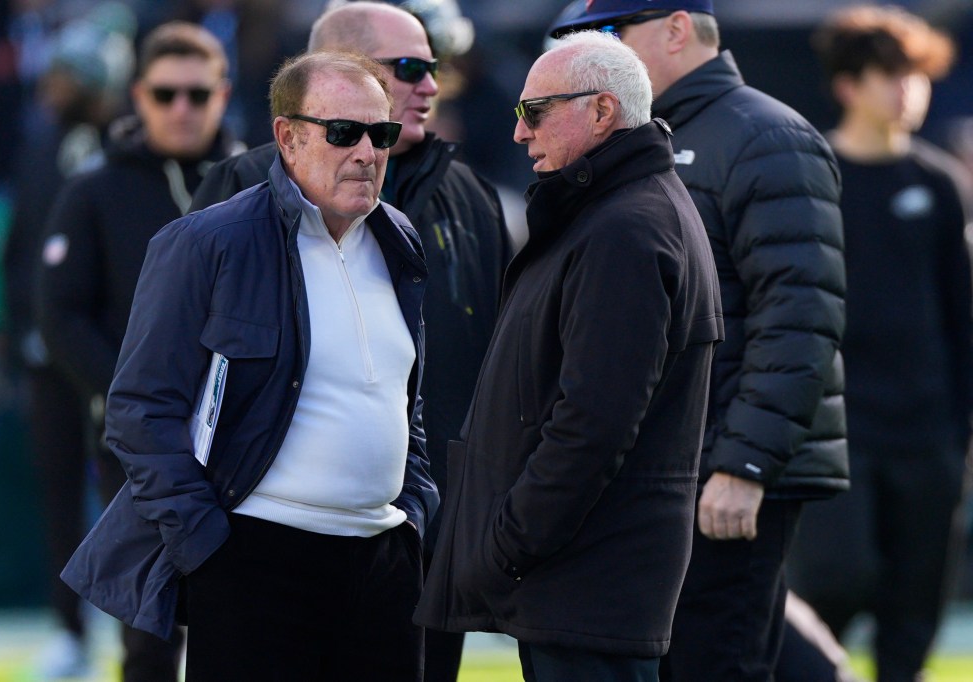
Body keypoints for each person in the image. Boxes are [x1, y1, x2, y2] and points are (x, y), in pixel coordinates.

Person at [61, 50, 437, 682]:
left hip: (384, 566)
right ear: (287, 137)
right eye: (344, 132)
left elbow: (406, 398)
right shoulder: (208, 241)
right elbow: (139, 410)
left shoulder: (398, 238)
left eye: (382, 133)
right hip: (254, 561)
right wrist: (206, 547)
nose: (367, 152)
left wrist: (417, 509)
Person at [189, 4, 510, 679]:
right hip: (264, 550)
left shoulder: (470, 194)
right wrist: (199, 533)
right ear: (342, 73)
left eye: (437, 68)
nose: (432, 84)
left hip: (418, 547)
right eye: (412, 68)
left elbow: (485, 367)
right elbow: (169, 382)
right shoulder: (243, 190)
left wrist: (434, 509)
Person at [548, 3, 848, 681]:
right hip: (662, 473)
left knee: (719, 664)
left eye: (612, 33)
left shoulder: (765, 136)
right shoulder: (645, 137)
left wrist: (742, 466)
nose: (601, 53)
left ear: (676, 30)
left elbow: (800, 318)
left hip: (722, 479)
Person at [415, 30, 723, 682]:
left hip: (589, 583)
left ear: (602, 112)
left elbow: (594, 421)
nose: (520, 133)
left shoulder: (627, 229)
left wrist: (507, 543)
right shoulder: (615, 212)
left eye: (535, 112)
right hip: (583, 581)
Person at [36, 21, 238, 682]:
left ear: (223, 92)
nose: (182, 107)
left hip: (243, 437)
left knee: (243, 621)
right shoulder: (93, 189)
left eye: (197, 93)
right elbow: (60, 312)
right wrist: (127, 399)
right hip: (140, 444)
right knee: (148, 628)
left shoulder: (259, 183)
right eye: (165, 93)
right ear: (138, 95)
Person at [787, 8, 972, 682]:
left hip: (928, 434)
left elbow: (961, 315)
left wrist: (960, 431)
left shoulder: (940, 183)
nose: (907, 91)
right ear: (848, 85)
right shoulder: (813, 175)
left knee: (915, 607)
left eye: (915, 76)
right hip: (839, 429)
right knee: (836, 580)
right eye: (890, 75)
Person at [3, 13, 135, 676]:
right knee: (58, 493)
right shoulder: (37, 141)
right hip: (46, 353)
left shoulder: (119, 149)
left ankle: (139, 629)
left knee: (132, 493)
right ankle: (69, 628)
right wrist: (13, 321)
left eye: (64, 74)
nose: (50, 85)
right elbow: (23, 239)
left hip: (109, 354)